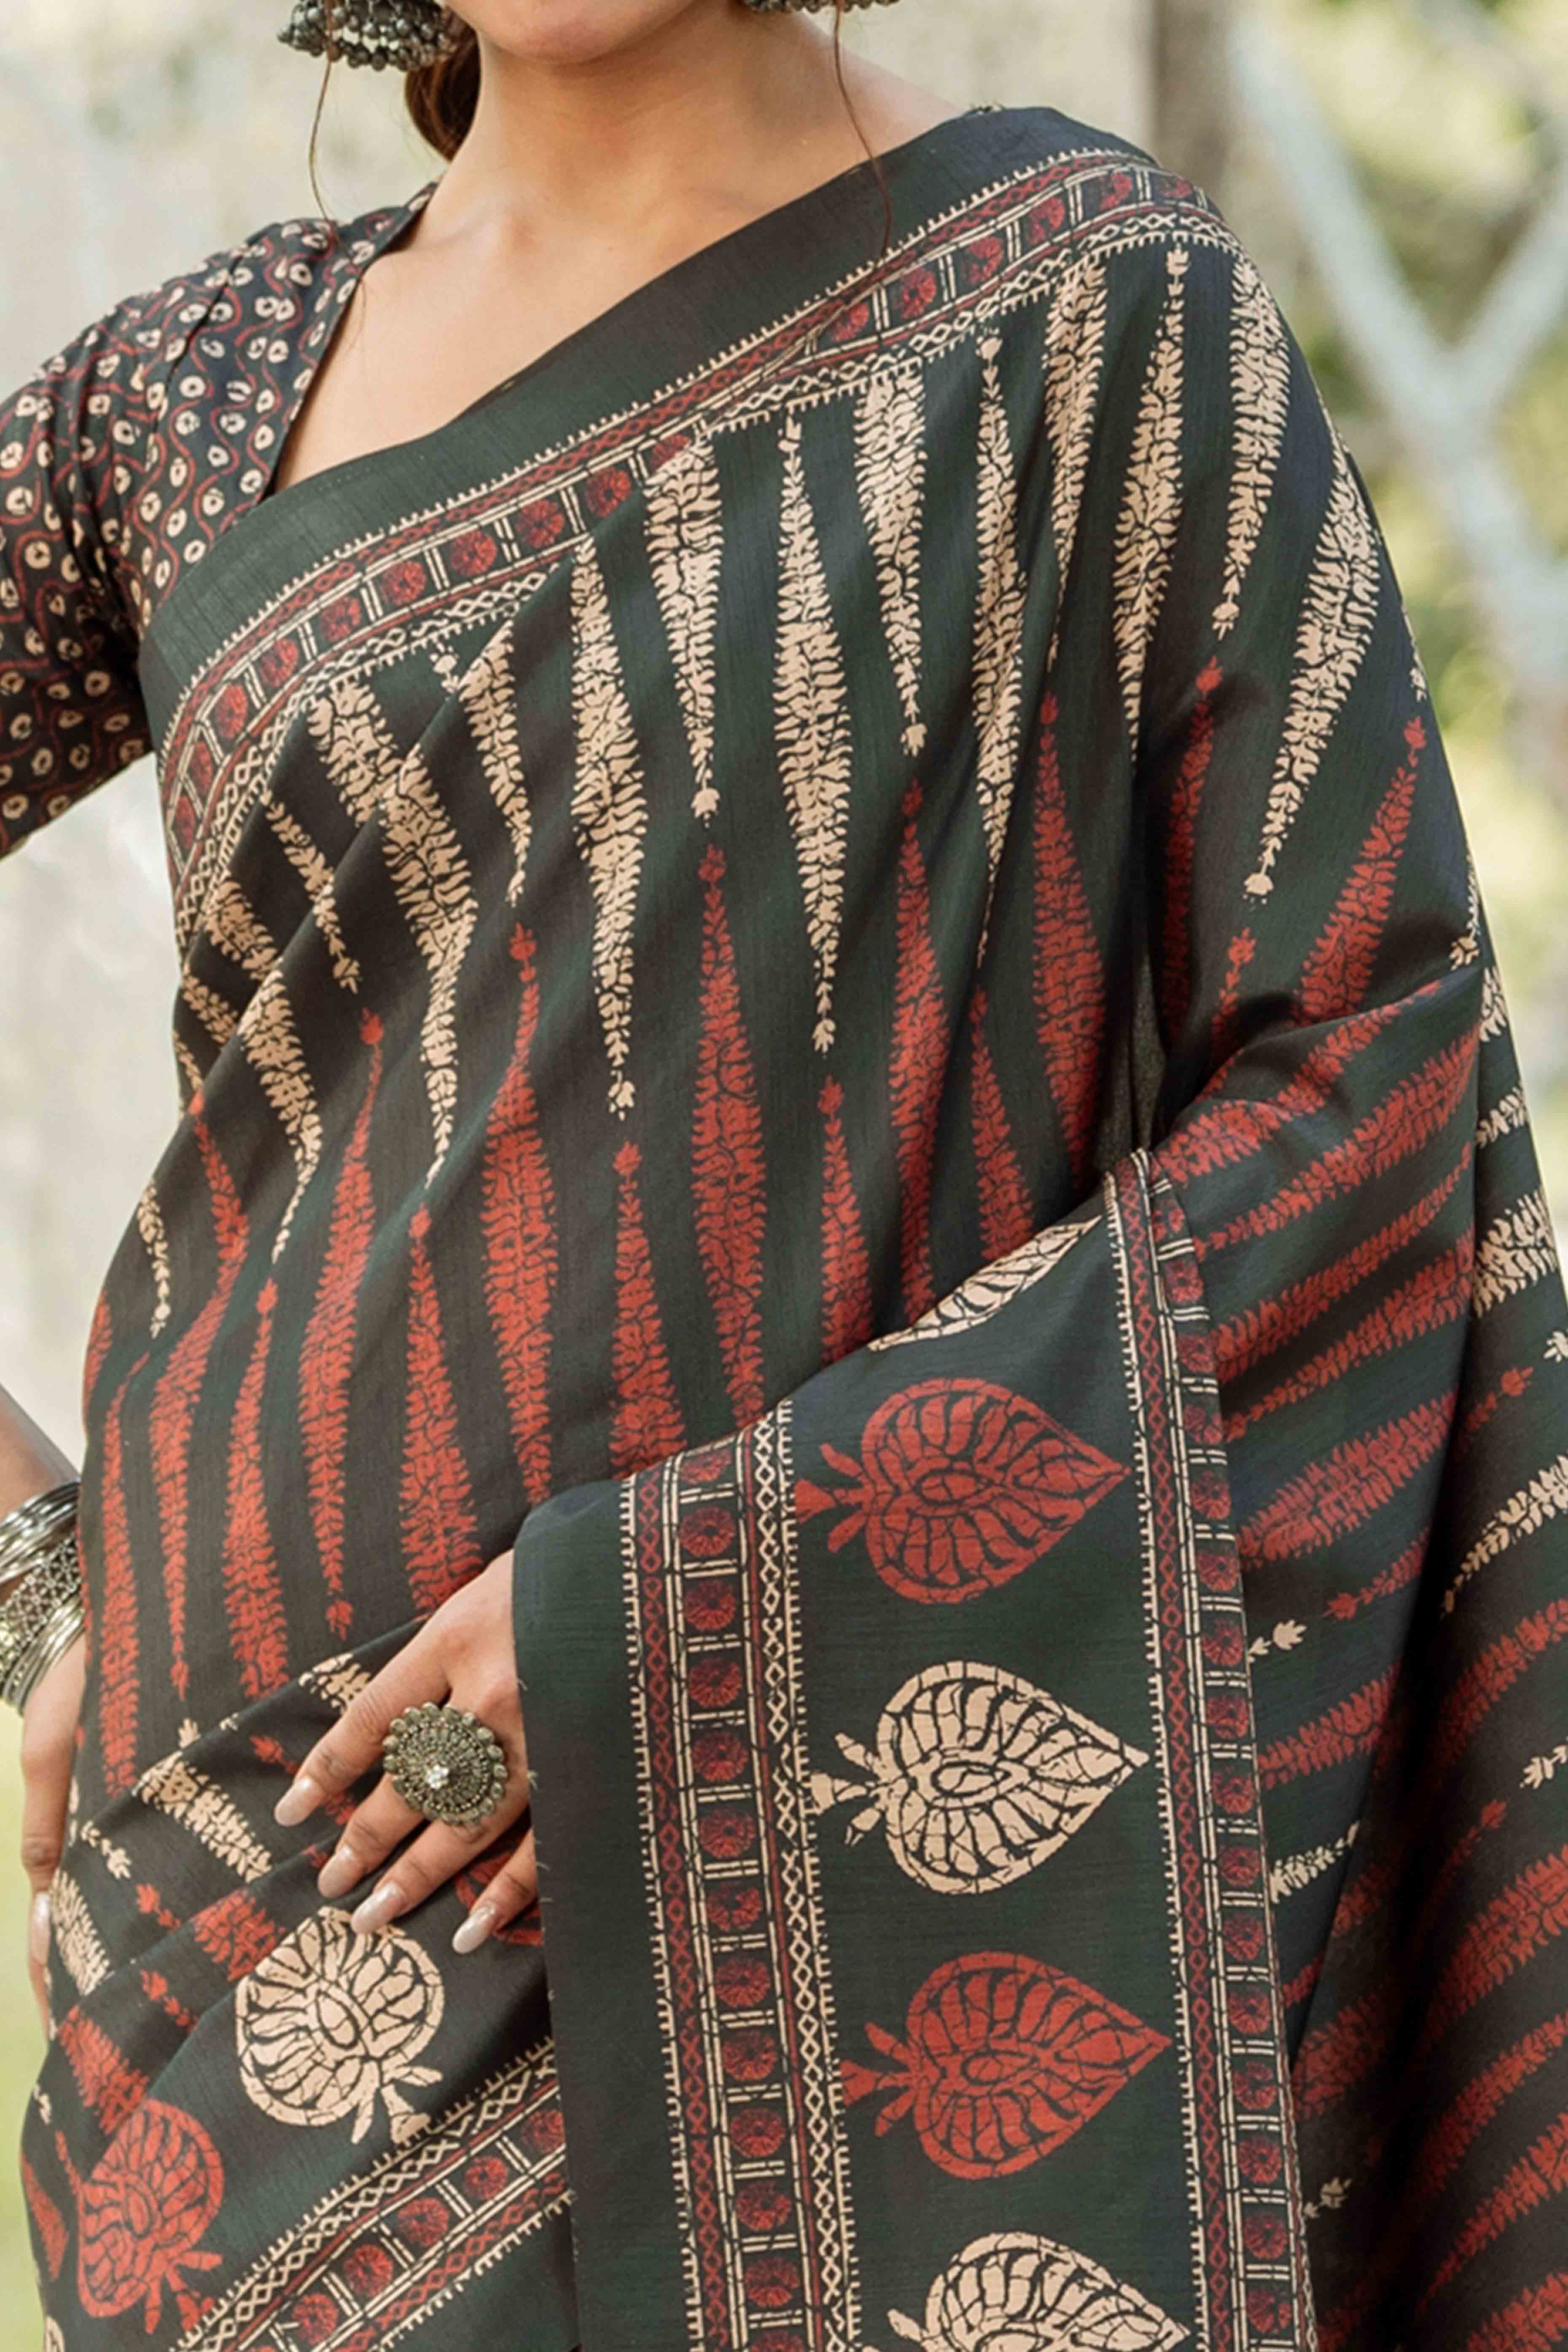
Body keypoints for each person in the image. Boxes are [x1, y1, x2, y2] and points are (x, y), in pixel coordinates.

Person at [3, 0, 1566, 2345]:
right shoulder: (197, 394)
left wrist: (677, 1611)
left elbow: (1361, 1092)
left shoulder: (1088, 303)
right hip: (256, 1900)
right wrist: (38, 1577)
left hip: (866, 1901)